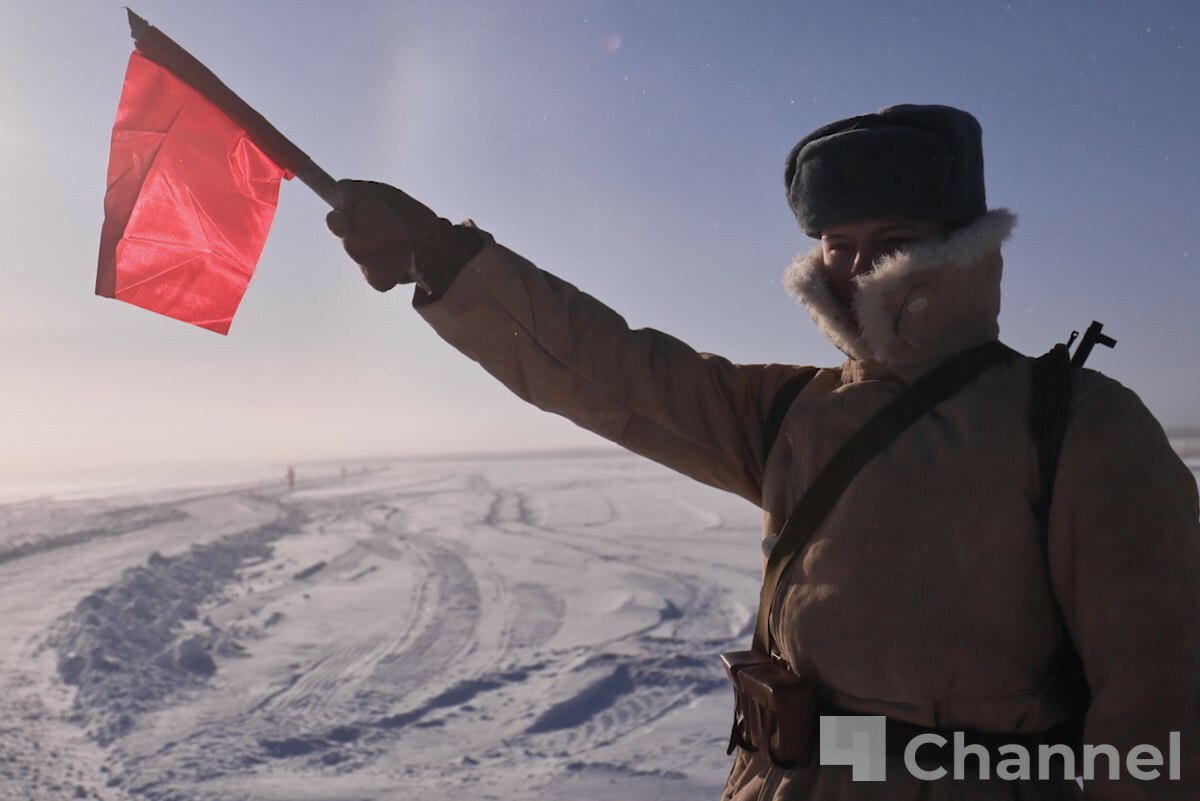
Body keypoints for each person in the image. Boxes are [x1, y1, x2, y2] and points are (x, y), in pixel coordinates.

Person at [326, 104, 1199, 800]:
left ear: (957, 243)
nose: (860, 270)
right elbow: (613, 369)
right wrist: (449, 259)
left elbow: (1163, 708)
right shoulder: (796, 411)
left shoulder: (1076, 423)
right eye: (839, 245)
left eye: (893, 242)